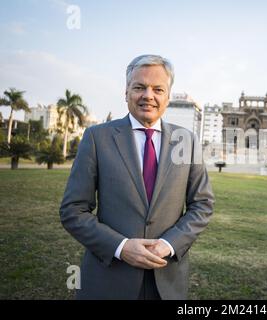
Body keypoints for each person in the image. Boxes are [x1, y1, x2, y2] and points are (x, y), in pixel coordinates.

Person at [59, 54, 215, 300]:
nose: (148, 96)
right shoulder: (97, 138)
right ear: (126, 92)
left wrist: (169, 244)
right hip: (108, 279)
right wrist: (121, 248)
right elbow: (73, 210)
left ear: (168, 96)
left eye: (158, 89)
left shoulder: (187, 141)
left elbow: (202, 205)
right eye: (139, 87)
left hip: (167, 282)